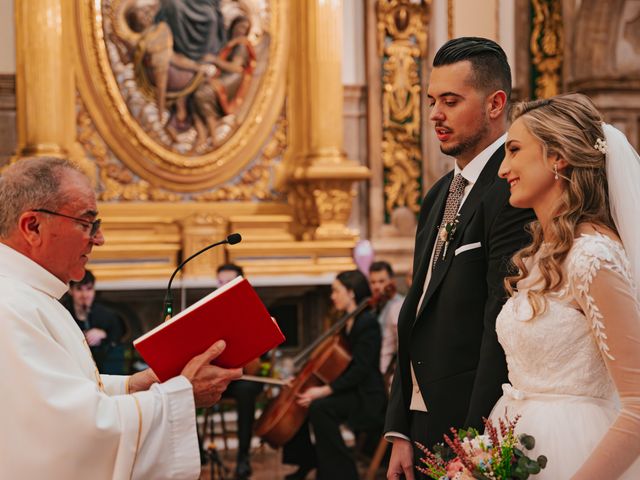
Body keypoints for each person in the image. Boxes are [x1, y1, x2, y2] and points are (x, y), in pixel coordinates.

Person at [0, 157, 242, 479]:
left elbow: (65, 397)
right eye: (87, 224)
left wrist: (135, 385)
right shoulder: (11, 305)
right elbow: (72, 434)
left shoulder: (28, 296)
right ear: (33, 227)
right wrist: (181, 395)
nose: (98, 239)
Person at [384, 37, 535, 479]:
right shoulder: (436, 196)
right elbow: (416, 311)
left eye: (450, 101)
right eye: (432, 100)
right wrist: (400, 427)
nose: (435, 114)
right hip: (422, 419)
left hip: (472, 422)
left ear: (495, 103)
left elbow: (499, 318)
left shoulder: (512, 191)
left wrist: (474, 442)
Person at [489, 93, 640, 479]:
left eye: (515, 150)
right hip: (519, 442)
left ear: (558, 157)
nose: (504, 169)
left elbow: (639, 404)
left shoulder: (592, 257)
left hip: (575, 452)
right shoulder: (542, 254)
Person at [282, 270, 387, 480]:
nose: (332, 296)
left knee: (320, 407)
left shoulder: (367, 323)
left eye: (336, 291)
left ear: (351, 293)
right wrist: (306, 380)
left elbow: (361, 369)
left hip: (367, 396)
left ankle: (343, 473)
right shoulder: (347, 321)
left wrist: (323, 390)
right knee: (302, 399)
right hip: (351, 390)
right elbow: (336, 364)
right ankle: (309, 460)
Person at [214, 262, 264, 480]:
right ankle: (197, 452)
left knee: (246, 390)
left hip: (245, 375)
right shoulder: (210, 311)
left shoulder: (252, 308)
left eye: (229, 282)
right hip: (217, 375)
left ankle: (243, 457)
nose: (223, 287)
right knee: (186, 385)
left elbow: (260, 357)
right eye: (220, 283)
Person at [61, 269, 127, 374]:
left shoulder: (106, 314)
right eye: (79, 289)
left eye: (89, 289)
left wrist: (103, 334)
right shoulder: (62, 313)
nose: (85, 295)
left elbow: (119, 334)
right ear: (70, 290)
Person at [368, 261, 404, 375]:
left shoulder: (397, 306)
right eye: (373, 282)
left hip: (389, 375)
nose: (377, 286)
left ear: (392, 281)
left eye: (381, 281)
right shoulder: (378, 306)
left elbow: (400, 345)